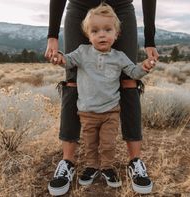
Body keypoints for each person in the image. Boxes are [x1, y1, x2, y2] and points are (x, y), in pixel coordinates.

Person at [45, 0, 159, 196]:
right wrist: (52, 34)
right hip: (79, 7)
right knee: (72, 80)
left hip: (121, 7)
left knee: (129, 82)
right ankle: (67, 162)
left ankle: (135, 162)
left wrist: (150, 38)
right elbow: (68, 61)